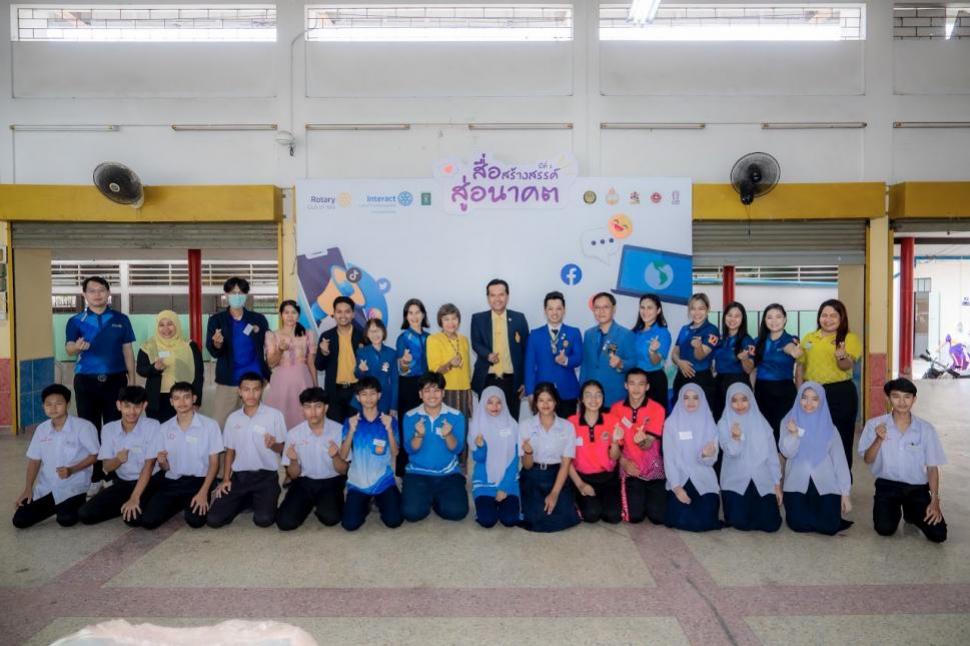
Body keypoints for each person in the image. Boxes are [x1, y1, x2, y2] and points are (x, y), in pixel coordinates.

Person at [65, 276, 136, 492]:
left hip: (116, 381)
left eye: (101, 290)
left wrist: (132, 381)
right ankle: (95, 475)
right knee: (90, 428)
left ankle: (111, 473)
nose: (97, 294)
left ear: (108, 293)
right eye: (92, 291)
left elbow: (127, 351)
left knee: (114, 428)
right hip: (86, 381)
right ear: (84, 294)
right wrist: (76, 347)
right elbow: (68, 347)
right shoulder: (76, 321)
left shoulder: (121, 319)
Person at [859, 379, 947, 543]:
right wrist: (878, 439)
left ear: (914, 399)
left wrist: (935, 500)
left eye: (907, 397)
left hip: (917, 488)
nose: (902, 402)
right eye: (896, 396)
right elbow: (867, 459)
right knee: (884, 529)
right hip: (887, 486)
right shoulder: (874, 425)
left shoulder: (926, 429)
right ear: (888, 398)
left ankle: (911, 511)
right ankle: (900, 510)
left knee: (939, 535)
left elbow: (932, 467)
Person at [138, 382, 222, 530]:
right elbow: (165, 467)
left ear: (194, 398)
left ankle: (188, 501)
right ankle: (179, 503)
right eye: (176, 398)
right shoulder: (164, 428)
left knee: (195, 521)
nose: (182, 402)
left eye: (186, 397)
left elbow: (214, 463)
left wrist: (203, 492)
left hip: (199, 481)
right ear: (171, 402)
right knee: (148, 521)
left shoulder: (210, 426)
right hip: (173, 481)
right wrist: (162, 462)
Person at [12, 385, 99, 529]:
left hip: (74, 486)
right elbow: (34, 461)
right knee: (19, 520)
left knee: (66, 519)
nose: (53, 408)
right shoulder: (41, 429)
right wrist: (28, 489)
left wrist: (72, 470)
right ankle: (59, 506)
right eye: (48, 404)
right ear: (43, 407)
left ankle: (73, 503)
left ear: (68, 404)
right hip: (47, 487)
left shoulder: (83, 427)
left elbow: (94, 455)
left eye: (58, 403)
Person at [207, 373, 286, 528]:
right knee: (213, 519)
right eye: (246, 389)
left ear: (262, 390)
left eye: (256, 389)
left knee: (264, 520)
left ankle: (257, 498)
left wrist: (273, 445)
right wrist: (226, 479)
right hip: (240, 477)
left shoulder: (274, 415)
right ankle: (246, 500)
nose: (251, 394)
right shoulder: (233, 418)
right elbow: (230, 452)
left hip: (266, 476)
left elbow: (282, 447)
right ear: (239, 391)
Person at [78, 386, 164, 526]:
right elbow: (107, 467)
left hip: (149, 481)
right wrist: (118, 459)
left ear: (144, 406)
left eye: (137, 406)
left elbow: (149, 465)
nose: (132, 412)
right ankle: (126, 505)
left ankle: (138, 501)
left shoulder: (152, 426)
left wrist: (135, 498)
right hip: (123, 483)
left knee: (133, 519)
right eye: (127, 406)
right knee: (85, 514)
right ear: (119, 405)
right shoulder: (109, 429)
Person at [779, 382, 853, 536]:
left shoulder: (830, 428)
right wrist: (794, 435)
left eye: (814, 399)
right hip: (797, 483)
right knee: (798, 524)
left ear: (822, 401)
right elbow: (787, 452)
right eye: (804, 398)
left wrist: (845, 493)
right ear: (798, 399)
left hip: (825, 481)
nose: (808, 403)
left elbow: (840, 462)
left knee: (829, 527)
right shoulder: (788, 422)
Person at [796, 299, 862, 470]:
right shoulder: (809, 338)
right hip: (813, 394)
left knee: (842, 438)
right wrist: (800, 393)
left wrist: (841, 356)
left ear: (841, 318)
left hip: (840, 393)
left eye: (833, 315)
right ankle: (818, 479)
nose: (828, 319)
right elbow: (800, 367)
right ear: (819, 318)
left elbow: (846, 366)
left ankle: (843, 482)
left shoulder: (849, 338)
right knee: (813, 437)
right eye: (824, 315)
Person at [277, 387, 348, 531]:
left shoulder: (339, 431)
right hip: (304, 482)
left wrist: (335, 456)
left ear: (326, 408)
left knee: (331, 518)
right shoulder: (293, 434)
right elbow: (293, 475)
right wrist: (294, 461)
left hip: (330, 481)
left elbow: (343, 471)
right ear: (302, 409)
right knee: (285, 523)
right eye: (307, 407)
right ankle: (309, 502)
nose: (313, 412)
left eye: (318, 406)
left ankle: (320, 504)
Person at [401, 372, 469, 522]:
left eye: (437, 390)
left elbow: (457, 449)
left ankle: (436, 499)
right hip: (417, 473)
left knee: (457, 512)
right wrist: (419, 435)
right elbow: (410, 450)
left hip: (448, 473)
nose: (432, 395)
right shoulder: (410, 416)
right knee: (411, 513)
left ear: (443, 393)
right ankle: (428, 497)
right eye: (427, 391)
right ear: (420, 394)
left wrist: (448, 435)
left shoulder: (456, 415)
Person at [339, 377, 403, 531]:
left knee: (394, 521)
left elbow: (395, 452)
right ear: (357, 397)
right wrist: (351, 431)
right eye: (364, 394)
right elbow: (343, 455)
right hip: (358, 483)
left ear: (379, 395)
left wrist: (389, 429)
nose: (368, 398)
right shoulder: (351, 421)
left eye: (372, 394)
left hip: (383, 481)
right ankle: (366, 503)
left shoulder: (389, 421)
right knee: (349, 524)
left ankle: (380, 500)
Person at [205, 277, 270, 429]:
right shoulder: (217, 320)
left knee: (254, 423)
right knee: (220, 423)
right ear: (226, 295)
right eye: (233, 293)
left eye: (240, 293)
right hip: (228, 380)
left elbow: (268, 345)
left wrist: (267, 373)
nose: (237, 296)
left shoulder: (258, 319)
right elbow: (213, 351)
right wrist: (217, 344)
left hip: (253, 380)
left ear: (246, 295)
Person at [717, 383, 782, 533]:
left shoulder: (762, 423)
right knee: (740, 522)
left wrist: (777, 484)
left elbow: (772, 456)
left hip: (761, 476)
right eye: (734, 400)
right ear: (728, 402)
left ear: (751, 399)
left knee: (771, 525)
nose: (740, 405)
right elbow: (731, 452)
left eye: (744, 399)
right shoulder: (724, 423)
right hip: (736, 479)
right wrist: (735, 438)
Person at [517, 383, 579, 533]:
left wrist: (555, 493)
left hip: (557, 475)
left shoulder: (567, 427)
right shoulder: (525, 425)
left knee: (563, 517)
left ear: (556, 401)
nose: (545, 404)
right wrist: (528, 453)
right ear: (535, 403)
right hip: (533, 474)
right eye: (541, 400)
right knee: (535, 519)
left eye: (549, 400)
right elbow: (527, 466)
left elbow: (565, 465)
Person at [662, 384, 721, 532]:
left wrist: (705, 455)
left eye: (695, 398)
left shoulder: (710, 423)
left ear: (702, 400)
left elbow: (712, 460)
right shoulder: (671, 423)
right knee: (682, 519)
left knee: (704, 521)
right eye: (686, 397)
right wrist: (677, 488)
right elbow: (669, 459)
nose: (691, 402)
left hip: (703, 477)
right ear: (680, 400)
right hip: (679, 478)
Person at [471, 279, 530, 420]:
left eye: (501, 294)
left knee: (512, 420)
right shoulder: (478, 318)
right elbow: (476, 343)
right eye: (493, 295)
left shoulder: (519, 318)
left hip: (512, 381)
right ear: (488, 297)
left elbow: (526, 350)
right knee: (487, 422)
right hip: (487, 379)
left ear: (507, 296)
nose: (497, 299)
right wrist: (487, 355)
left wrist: (525, 380)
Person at [614, 368, 667, 524]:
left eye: (641, 384)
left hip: (653, 467)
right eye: (632, 383)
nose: (636, 388)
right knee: (635, 517)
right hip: (630, 466)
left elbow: (648, 444)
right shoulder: (616, 409)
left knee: (658, 517)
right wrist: (624, 463)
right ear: (626, 385)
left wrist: (642, 441)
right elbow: (612, 444)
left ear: (647, 387)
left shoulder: (657, 409)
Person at [567, 380, 623, 524]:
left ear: (603, 398)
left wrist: (615, 442)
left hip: (608, 478)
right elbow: (566, 460)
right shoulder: (571, 423)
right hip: (583, 478)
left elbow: (615, 457)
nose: (593, 399)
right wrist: (580, 484)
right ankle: (577, 499)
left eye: (598, 395)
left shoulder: (612, 420)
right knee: (591, 515)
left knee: (613, 516)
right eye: (588, 395)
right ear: (581, 399)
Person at [137, 310, 204, 423]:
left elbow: (198, 375)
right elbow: (140, 369)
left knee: (182, 428)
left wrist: (196, 401)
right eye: (161, 325)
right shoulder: (148, 346)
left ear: (176, 324)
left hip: (182, 398)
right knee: (158, 430)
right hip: (156, 399)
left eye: (170, 324)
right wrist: (154, 368)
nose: (166, 328)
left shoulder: (190, 346)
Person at [524, 291, 583, 418]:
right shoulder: (535, 334)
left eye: (558, 308)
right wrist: (530, 392)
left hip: (567, 392)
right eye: (550, 309)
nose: (554, 312)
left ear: (564, 310)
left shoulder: (573, 332)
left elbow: (579, 358)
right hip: (542, 393)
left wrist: (566, 360)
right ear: (545, 310)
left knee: (567, 428)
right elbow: (529, 366)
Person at [468, 386, 520, 528]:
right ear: (483, 404)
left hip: (508, 481)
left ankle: (506, 502)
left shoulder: (513, 425)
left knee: (510, 520)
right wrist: (481, 446)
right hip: (485, 481)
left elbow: (515, 459)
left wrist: (504, 487)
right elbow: (478, 459)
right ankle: (486, 506)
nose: (495, 406)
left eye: (498, 402)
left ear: (504, 403)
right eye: (490, 402)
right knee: (487, 520)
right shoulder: (476, 426)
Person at [264, 300, 318, 430]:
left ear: (298, 315)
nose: (290, 316)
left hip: (303, 381)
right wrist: (280, 350)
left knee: (304, 416)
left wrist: (316, 387)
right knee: (280, 417)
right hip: (281, 383)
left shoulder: (308, 334)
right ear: (281, 315)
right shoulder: (272, 335)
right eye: (286, 312)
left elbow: (311, 363)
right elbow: (271, 363)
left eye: (293, 312)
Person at [752, 304, 801, 442]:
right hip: (761, 390)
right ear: (764, 320)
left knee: (783, 431)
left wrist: (794, 351)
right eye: (769, 317)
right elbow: (754, 370)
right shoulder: (758, 341)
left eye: (778, 317)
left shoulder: (791, 339)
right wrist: (751, 391)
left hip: (784, 391)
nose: (774, 321)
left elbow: (789, 348)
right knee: (764, 432)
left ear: (785, 319)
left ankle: (782, 456)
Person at [314, 295, 365, 424]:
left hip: (357, 392)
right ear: (334, 314)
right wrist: (324, 353)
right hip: (334, 392)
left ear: (353, 314)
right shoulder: (326, 336)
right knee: (335, 430)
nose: (343, 315)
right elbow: (319, 366)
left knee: (356, 429)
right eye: (339, 311)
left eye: (347, 311)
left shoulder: (362, 336)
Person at [579, 292, 634, 407]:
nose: (601, 311)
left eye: (606, 307)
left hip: (614, 396)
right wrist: (581, 393)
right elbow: (585, 365)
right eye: (597, 308)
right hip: (590, 398)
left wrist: (620, 363)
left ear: (613, 309)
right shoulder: (589, 334)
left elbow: (633, 363)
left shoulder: (625, 334)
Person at [670, 293, 719, 407]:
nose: (697, 313)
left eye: (701, 308)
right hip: (681, 378)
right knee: (680, 411)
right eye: (693, 308)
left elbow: (700, 356)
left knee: (702, 412)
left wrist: (698, 347)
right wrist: (679, 362)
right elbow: (674, 353)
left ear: (708, 309)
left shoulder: (712, 330)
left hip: (701, 379)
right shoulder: (684, 329)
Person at [426, 303, 473, 419]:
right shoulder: (433, 339)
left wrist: (469, 391)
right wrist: (450, 364)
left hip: (465, 391)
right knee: (446, 426)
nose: (451, 323)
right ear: (440, 321)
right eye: (446, 319)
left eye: (454, 318)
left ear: (459, 320)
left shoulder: (464, 339)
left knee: (463, 425)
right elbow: (434, 370)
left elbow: (467, 370)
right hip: (445, 391)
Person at [711, 302, 755, 420]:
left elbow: (749, 369)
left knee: (738, 421)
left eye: (737, 316)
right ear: (724, 316)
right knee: (719, 419)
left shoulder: (747, 340)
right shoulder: (720, 339)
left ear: (742, 319)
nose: (732, 319)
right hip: (719, 384)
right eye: (729, 315)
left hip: (738, 384)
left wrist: (744, 359)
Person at [396, 298, 431, 445]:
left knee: (427, 423)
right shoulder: (403, 338)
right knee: (408, 424)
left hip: (427, 385)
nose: (414, 316)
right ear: (406, 316)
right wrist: (404, 362)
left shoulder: (430, 338)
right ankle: (405, 458)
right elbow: (401, 370)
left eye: (417, 312)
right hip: (408, 385)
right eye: (410, 313)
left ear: (423, 315)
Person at [631, 294, 672, 410]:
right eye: (642, 307)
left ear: (658, 310)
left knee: (655, 417)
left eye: (650, 308)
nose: (645, 311)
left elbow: (656, 361)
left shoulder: (663, 333)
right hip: (635, 380)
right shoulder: (634, 332)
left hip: (654, 381)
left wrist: (652, 351)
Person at [355, 318, 399, 416]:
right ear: (367, 334)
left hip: (385, 399)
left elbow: (395, 381)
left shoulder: (392, 353)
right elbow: (357, 375)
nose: (375, 334)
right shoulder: (361, 352)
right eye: (371, 331)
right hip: (366, 399)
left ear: (383, 331)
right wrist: (361, 370)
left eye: (377, 330)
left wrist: (394, 406)